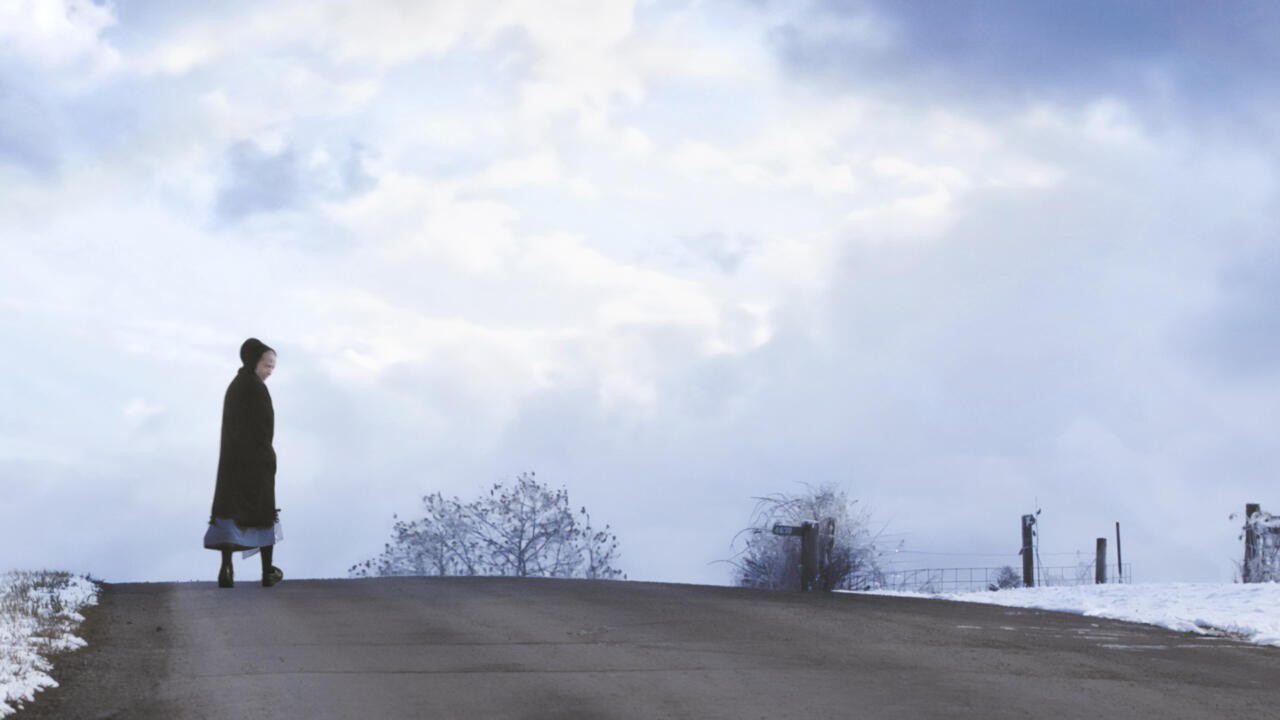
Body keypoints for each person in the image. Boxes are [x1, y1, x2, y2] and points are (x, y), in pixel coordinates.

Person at [203, 338, 283, 588]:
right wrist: (268, 458)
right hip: (257, 463)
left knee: (231, 513)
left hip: (232, 464)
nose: (269, 371)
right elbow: (263, 429)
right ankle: (267, 571)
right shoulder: (257, 389)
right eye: (267, 365)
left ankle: (226, 569)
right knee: (263, 513)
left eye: (272, 367)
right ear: (254, 361)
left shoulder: (235, 386)